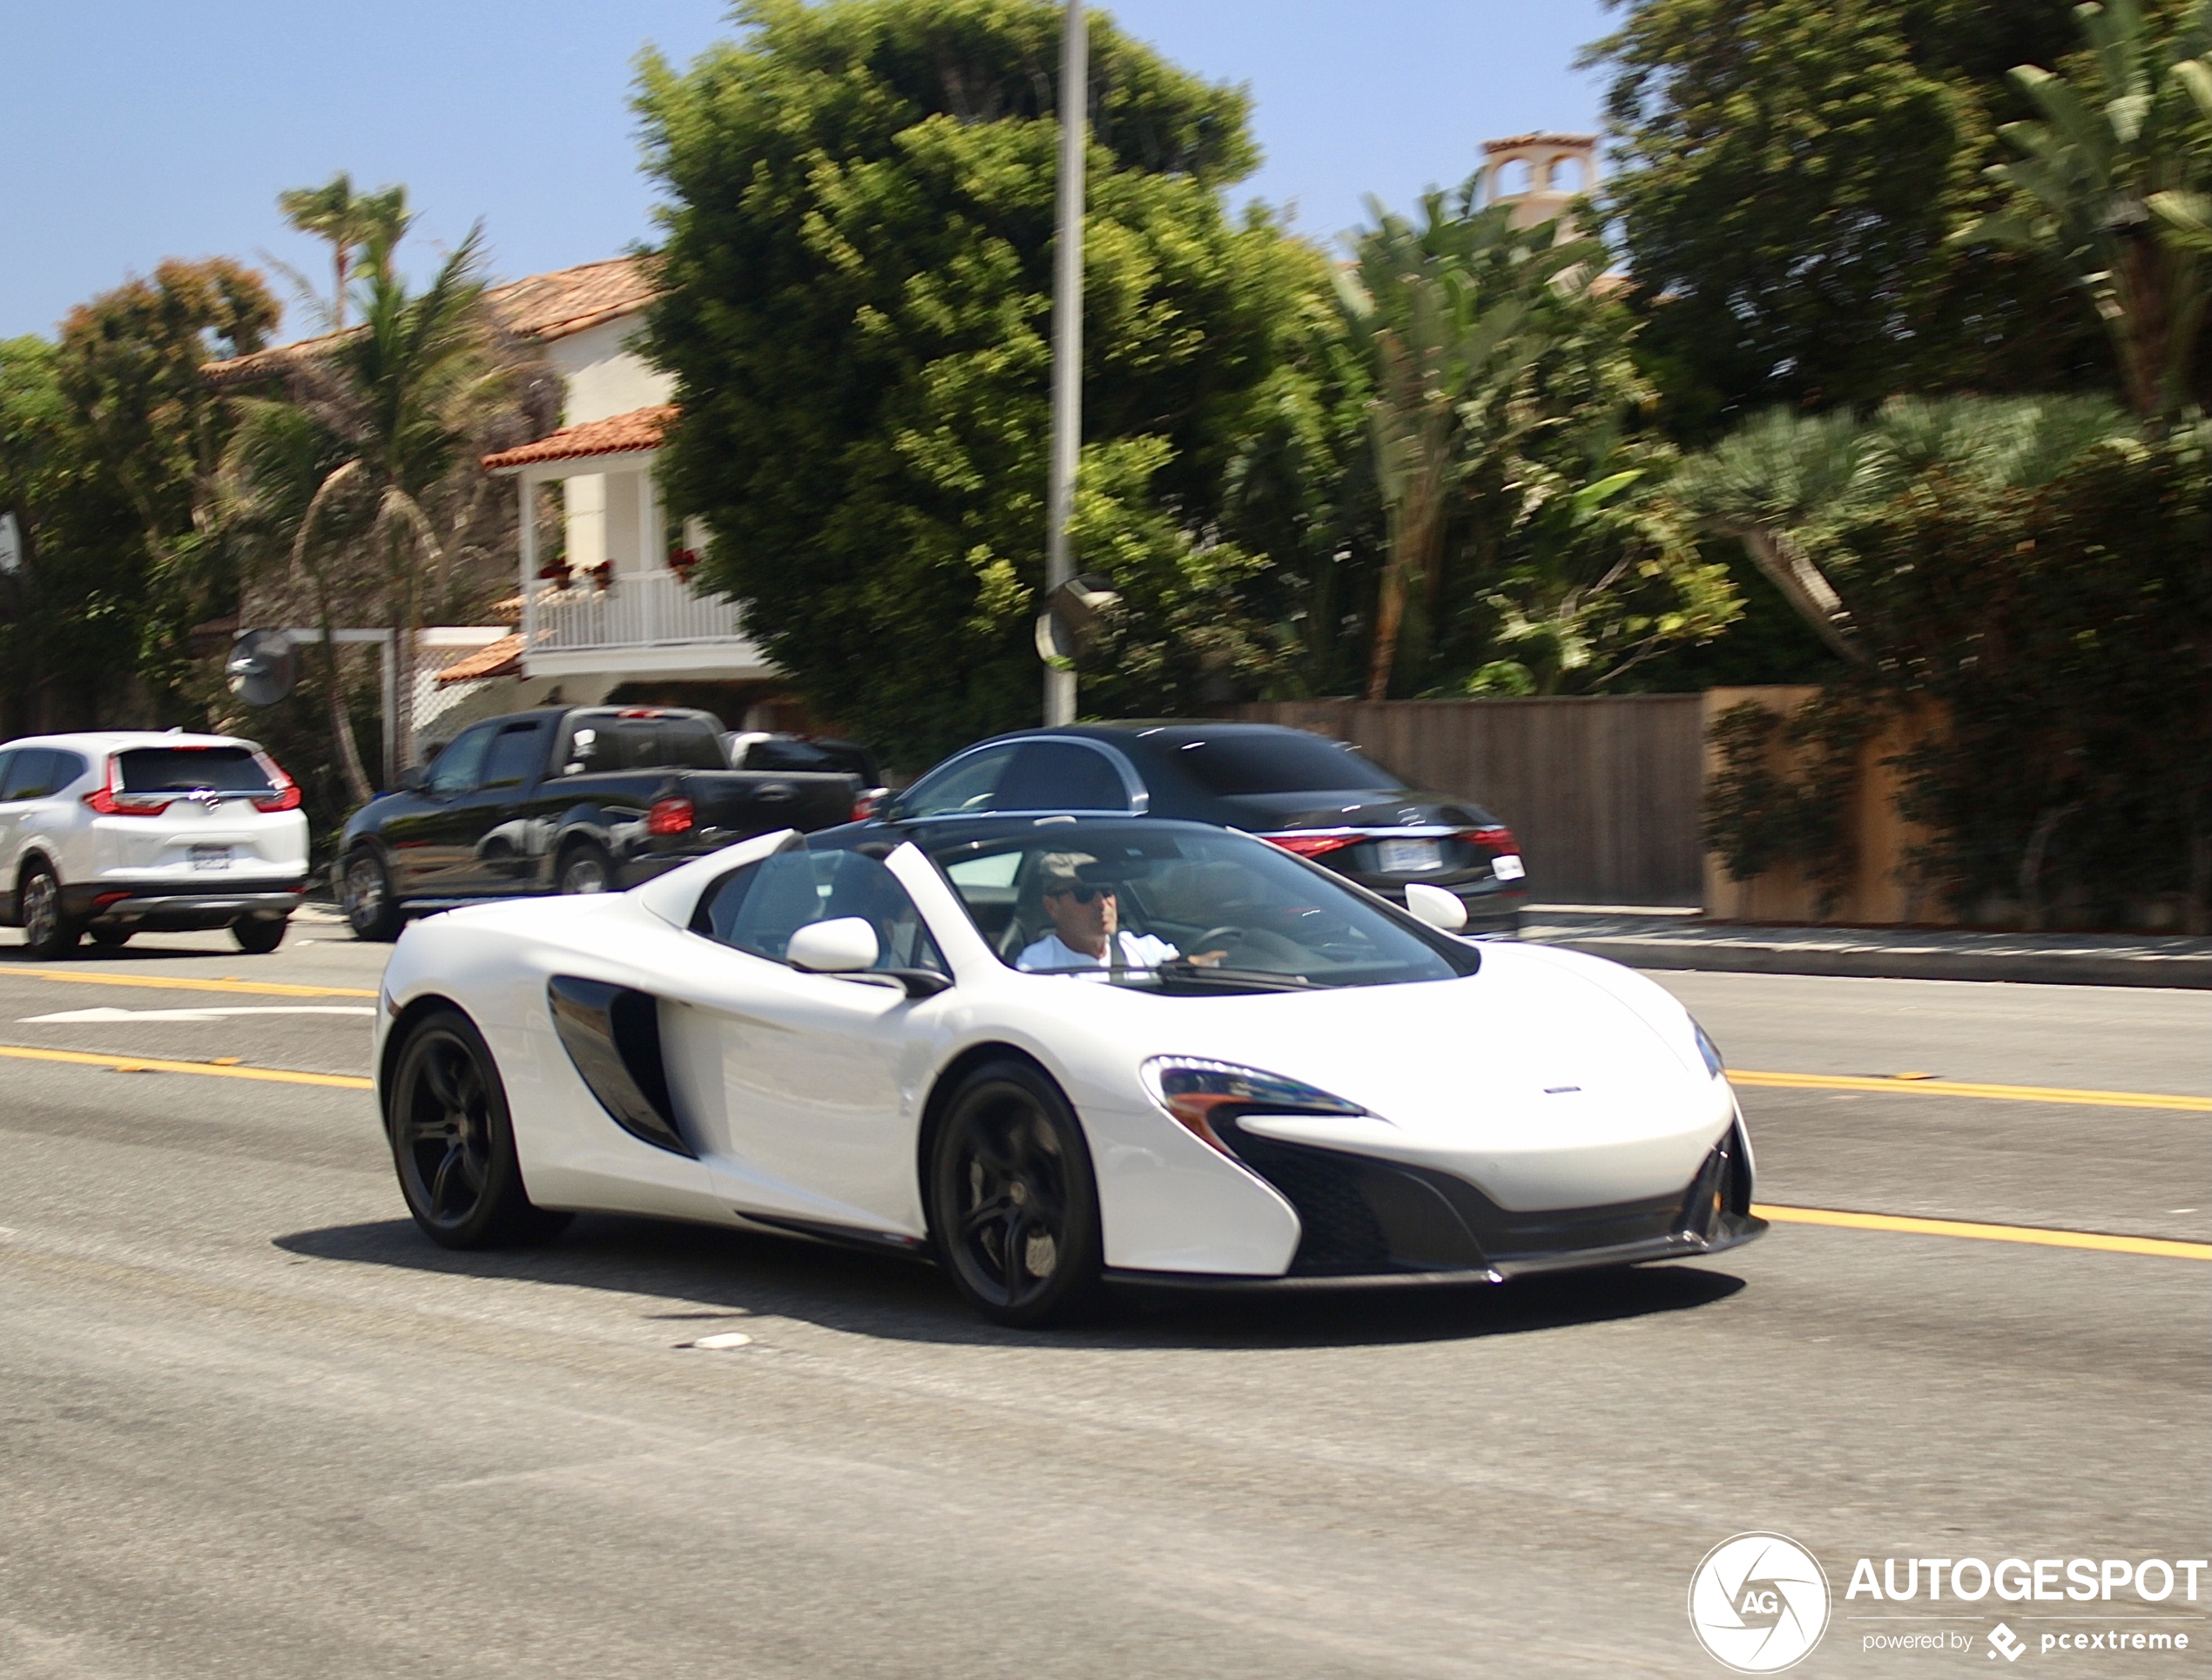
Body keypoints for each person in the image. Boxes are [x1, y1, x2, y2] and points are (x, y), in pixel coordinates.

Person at [1015, 852, 1219, 974]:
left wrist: (1208, 962)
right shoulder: (1037, 965)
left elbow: (1184, 971)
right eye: (1084, 894)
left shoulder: (1144, 948)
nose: (1102, 903)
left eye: (1107, 892)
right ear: (1052, 907)